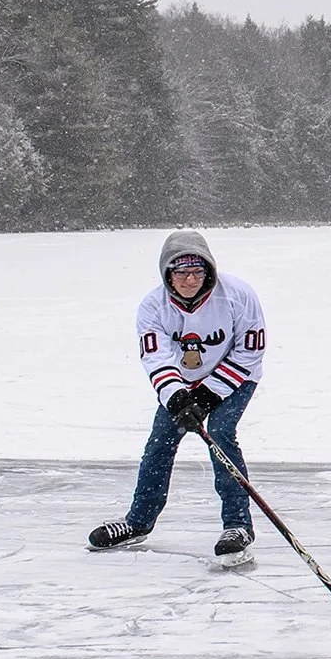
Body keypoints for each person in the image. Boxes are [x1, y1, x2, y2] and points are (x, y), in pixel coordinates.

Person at [88, 231, 269, 565]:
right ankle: (138, 520)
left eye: (198, 271)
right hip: (182, 385)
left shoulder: (238, 295)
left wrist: (209, 394)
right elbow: (156, 358)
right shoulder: (152, 306)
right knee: (160, 442)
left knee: (220, 434)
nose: (190, 279)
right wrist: (177, 397)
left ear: (209, 270)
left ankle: (238, 526)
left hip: (235, 379)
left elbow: (250, 352)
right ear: (167, 273)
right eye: (181, 271)